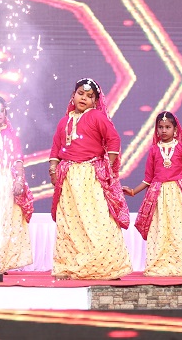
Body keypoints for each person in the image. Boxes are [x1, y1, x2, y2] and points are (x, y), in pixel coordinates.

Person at [48, 78, 132, 280]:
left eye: (89, 96)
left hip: (90, 176)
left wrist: (108, 167)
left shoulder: (96, 116)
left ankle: (106, 266)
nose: (84, 98)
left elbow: (114, 139)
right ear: (73, 95)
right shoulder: (64, 121)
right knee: (70, 222)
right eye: (80, 93)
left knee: (97, 219)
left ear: (95, 101)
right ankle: (70, 266)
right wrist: (53, 170)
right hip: (68, 177)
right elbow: (56, 148)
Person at [122, 111, 182, 276]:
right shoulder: (154, 150)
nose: (163, 130)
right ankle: (158, 265)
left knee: (178, 230)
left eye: (167, 127)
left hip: (178, 195)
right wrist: (133, 191)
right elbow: (148, 179)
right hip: (158, 196)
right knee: (159, 230)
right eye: (160, 127)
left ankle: (180, 266)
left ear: (175, 130)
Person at [0, 96, 33, 273]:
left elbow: (18, 159)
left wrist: (19, 180)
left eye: (2, 111)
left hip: (7, 180)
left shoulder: (11, 134)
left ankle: (2, 262)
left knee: (7, 219)